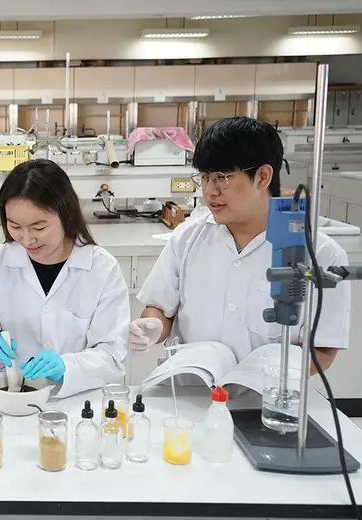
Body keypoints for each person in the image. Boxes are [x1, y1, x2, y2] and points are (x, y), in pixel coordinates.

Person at [131, 117, 350, 372]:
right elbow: (160, 308)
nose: (209, 191)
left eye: (222, 177)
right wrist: (153, 327)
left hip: (266, 394)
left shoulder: (320, 254)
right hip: (193, 389)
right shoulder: (187, 238)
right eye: (204, 177)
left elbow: (323, 349)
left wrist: (265, 377)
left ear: (263, 176)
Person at [0, 159, 130, 398]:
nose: (26, 239)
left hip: (73, 402)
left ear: (66, 214)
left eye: (39, 227)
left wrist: (67, 367)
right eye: (15, 226)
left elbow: (112, 355)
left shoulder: (102, 269)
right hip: (4, 401)